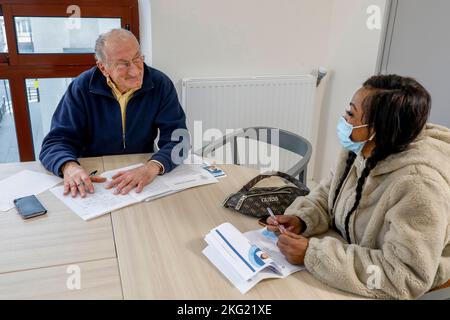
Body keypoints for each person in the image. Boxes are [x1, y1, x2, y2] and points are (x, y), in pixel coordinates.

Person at [267, 74, 450, 299]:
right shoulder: (360, 149)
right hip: (350, 253)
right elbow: (328, 193)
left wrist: (312, 255)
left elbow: (404, 277)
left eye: (351, 114)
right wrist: (302, 219)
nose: (344, 118)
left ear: (377, 129)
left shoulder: (419, 186)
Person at [39, 29, 188, 198]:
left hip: (141, 171)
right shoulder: (81, 88)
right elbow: (55, 142)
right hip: (94, 177)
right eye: (123, 64)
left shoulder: (160, 84)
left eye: (137, 58)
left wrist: (152, 167)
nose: (135, 71)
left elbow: (180, 141)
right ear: (103, 68)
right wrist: (69, 166)